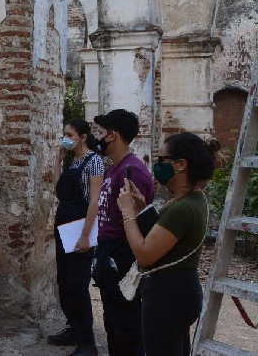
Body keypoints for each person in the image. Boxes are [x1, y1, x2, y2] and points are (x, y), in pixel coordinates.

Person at [118, 133, 216, 356]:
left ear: (181, 165)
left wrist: (127, 213)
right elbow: (167, 237)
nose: (156, 166)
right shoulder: (192, 199)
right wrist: (142, 208)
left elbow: (144, 254)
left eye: (161, 159)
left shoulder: (182, 208)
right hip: (179, 290)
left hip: (168, 296)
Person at [91, 109, 155, 356]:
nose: (98, 137)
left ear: (113, 135)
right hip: (108, 253)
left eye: (101, 132)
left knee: (126, 325)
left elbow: (140, 219)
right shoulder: (114, 168)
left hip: (123, 254)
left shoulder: (132, 171)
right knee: (113, 323)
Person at [48, 119, 105, 356]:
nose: (66, 138)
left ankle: (87, 343)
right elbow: (57, 188)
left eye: (70, 134)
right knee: (64, 282)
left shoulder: (94, 162)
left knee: (78, 284)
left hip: (81, 228)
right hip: (64, 225)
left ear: (82, 136)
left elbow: (94, 201)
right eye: (65, 134)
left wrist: (85, 236)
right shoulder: (73, 161)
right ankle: (73, 328)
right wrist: (58, 159)